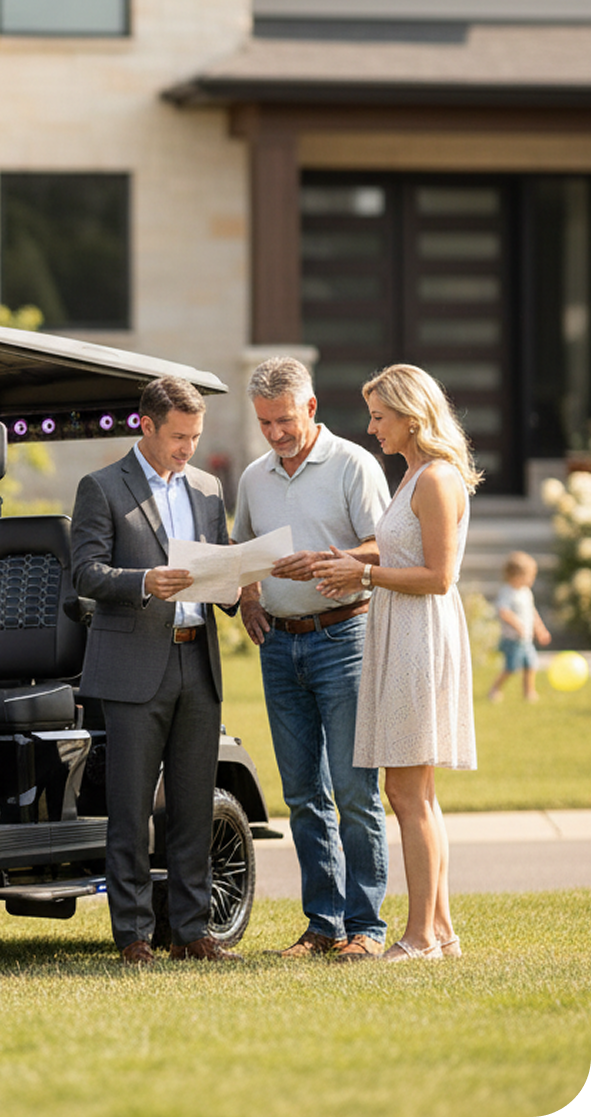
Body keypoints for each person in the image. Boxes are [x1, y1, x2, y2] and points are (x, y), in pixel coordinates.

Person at [313, 363, 481, 963]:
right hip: (399, 630)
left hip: (419, 635)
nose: (371, 427)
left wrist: (363, 573)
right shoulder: (412, 475)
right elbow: (401, 549)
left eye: (380, 417)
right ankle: (442, 930)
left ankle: (420, 938)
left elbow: (439, 576)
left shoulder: (436, 479)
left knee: (408, 793)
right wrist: (344, 562)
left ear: (412, 417)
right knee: (415, 793)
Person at [71, 375, 240, 967]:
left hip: (198, 659)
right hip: (133, 668)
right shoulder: (101, 487)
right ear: (145, 426)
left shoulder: (208, 488)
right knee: (131, 810)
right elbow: (85, 574)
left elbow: (222, 568)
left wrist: (244, 582)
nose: (187, 448)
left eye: (195, 436)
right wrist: (143, 582)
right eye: (178, 436)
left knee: (193, 805)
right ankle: (134, 937)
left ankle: (192, 932)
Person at [233, 357, 391, 962]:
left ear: (312, 408)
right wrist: (249, 596)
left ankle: (366, 928)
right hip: (281, 644)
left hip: (343, 640)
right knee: (303, 795)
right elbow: (243, 550)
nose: (275, 433)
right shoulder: (254, 477)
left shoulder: (353, 464)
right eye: (265, 422)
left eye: (284, 421)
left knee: (354, 792)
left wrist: (331, 559)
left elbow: (385, 546)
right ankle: (322, 925)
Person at [488, 551, 550, 703]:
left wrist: (540, 629)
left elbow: (532, 612)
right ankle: (495, 689)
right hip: (513, 639)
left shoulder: (526, 592)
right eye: (530, 575)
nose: (532, 579)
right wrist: (517, 625)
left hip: (526, 639)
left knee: (531, 665)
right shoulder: (508, 592)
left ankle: (529, 692)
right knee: (511, 667)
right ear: (516, 576)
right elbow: (504, 611)